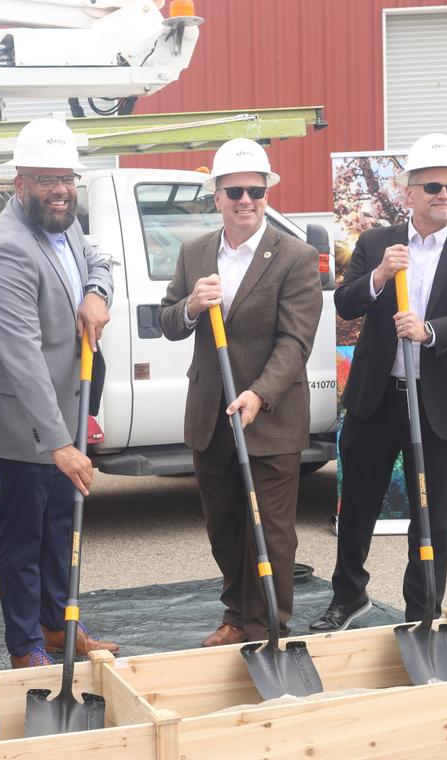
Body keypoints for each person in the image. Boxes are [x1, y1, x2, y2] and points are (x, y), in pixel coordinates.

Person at [310, 133, 447, 633]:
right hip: (379, 398)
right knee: (356, 509)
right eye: (434, 186)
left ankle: (423, 609)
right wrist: (377, 277)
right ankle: (349, 597)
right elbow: (345, 303)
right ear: (409, 192)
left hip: (440, 404)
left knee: (433, 516)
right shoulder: (378, 242)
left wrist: (430, 330)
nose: (445, 196)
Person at [0, 118, 119, 668]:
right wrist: (59, 443)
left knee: (58, 525)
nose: (59, 189)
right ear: (19, 184)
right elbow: (22, 356)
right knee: (25, 535)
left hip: (62, 411)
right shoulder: (8, 251)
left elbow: (100, 260)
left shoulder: (64, 224)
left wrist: (96, 293)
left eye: (66, 177)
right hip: (23, 420)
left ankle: (57, 625)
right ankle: (25, 645)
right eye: (46, 179)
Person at [159, 139, 322, 647]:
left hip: (269, 416)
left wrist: (258, 394)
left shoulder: (295, 256)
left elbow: (295, 341)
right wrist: (190, 305)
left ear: (267, 193)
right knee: (225, 527)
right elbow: (168, 321)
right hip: (211, 414)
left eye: (255, 190)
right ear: (217, 195)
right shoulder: (195, 253)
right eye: (235, 191)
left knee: (270, 531)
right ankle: (236, 615)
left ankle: (268, 626)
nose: (245, 200)